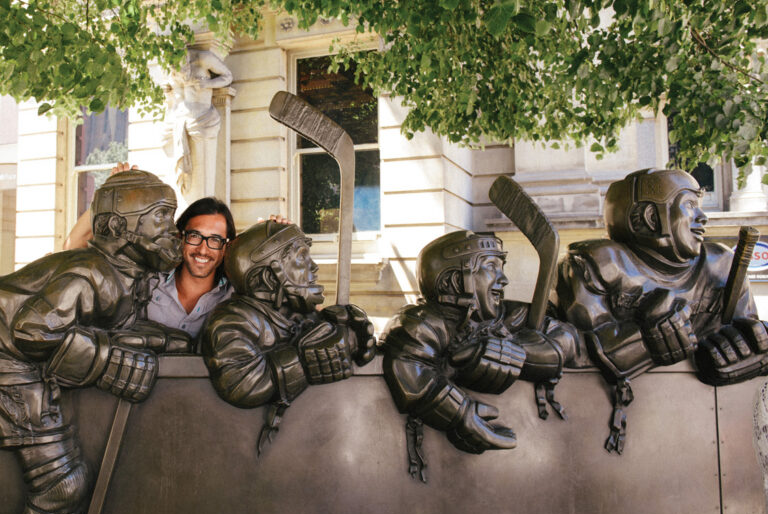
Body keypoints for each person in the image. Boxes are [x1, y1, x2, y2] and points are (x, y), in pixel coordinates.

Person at [0, 169, 190, 514]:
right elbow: (34, 332)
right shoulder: (91, 274)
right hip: (6, 362)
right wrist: (108, 362)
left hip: (28, 358)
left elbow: (111, 326)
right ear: (119, 227)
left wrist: (160, 340)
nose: (174, 229)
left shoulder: (126, 275)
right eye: (162, 216)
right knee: (61, 487)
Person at [556, 168, 768, 452]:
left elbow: (750, 337)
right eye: (690, 204)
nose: (702, 217)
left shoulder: (722, 265)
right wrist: (644, 341)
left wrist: (751, 349)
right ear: (649, 217)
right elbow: (580, 353)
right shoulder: (596, 264)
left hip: (710, 435)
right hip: (614, 438)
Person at [380, 231, 578, 478]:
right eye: (491, 267)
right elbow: (411, 371)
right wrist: (460, 414)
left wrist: (512, 352)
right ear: (454, 281)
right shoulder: (421, 324)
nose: (503, 279)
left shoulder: (512, 316)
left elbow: (567, 339)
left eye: (501, 268)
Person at [200, 220, 376, 454]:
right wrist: (308, 359)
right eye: (301, 258)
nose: (314, 267)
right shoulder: (231, 322)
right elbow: (242, 383)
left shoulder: (300, 315)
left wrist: (348, 331)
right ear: (268, 278)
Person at [147, 196, 236, 341]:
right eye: (195, 236)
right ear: (180, 237)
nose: (203, 250)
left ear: (226, 247)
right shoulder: (148, 284)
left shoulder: (235, 297)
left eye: (215, 240)